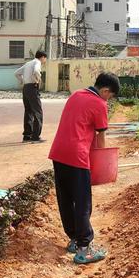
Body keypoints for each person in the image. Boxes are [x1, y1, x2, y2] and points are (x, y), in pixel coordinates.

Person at [48, 72, 120, 265]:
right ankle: (84, 249)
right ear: (105, 90)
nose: (109, 99)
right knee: (82, 202)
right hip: (76, 155)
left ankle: (73, 239)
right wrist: (101, 163)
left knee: (66, 198)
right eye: (110, 95)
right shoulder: (99, 104)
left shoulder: (76, 94)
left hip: (58, 152)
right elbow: (101, 136)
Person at [14, 50, 47, 143]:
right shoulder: (37, 62)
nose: (45, 61)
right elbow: (36, 71)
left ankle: (27, 136)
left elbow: (16, 73)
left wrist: (21, 81)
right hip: (32, 88)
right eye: (45, 59)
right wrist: (38, 79)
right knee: (38, 112)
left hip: (25, 88)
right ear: (43, 57)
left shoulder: (28, 63)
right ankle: (36, 136)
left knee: (28, 111)